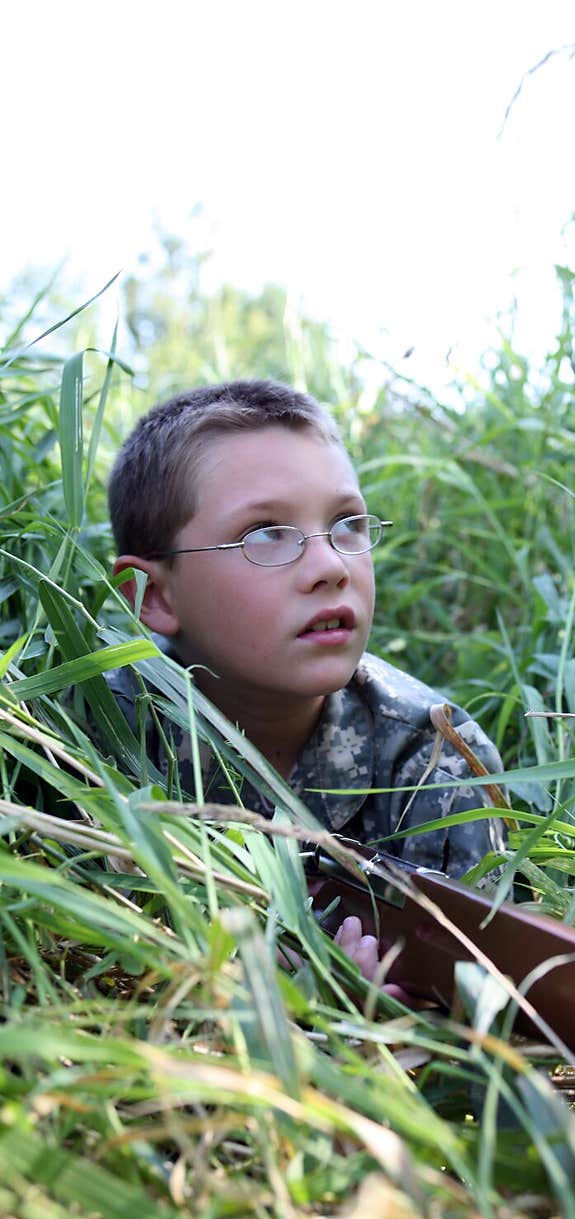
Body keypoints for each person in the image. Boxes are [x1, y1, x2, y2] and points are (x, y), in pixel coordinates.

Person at [106, 378, 506, 994]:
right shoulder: (86, 737)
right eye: (266, 533)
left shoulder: (437, 759)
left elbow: (478, 998)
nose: (330, 567)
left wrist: (392, 1013)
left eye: (347, 524)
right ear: (155, 596)